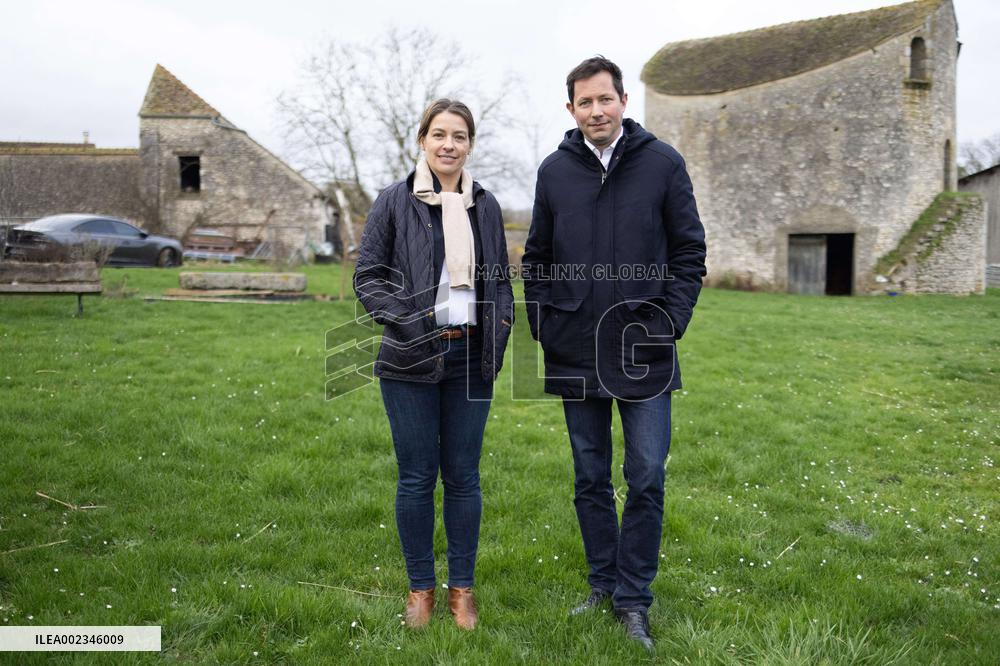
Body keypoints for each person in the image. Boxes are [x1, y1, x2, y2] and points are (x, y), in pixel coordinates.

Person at [522, 56, 706, 650]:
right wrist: (543, 323)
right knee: (590, 475)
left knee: (647, 474)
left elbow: (688, 252)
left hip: (642, 347)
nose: (596, 111)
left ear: (623, 100)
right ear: (570, 109)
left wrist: (669, 322)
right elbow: (537, 258)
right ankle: (602, 585)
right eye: (584, 102)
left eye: (605, 99)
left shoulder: (662, 164)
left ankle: (634, 601)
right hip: (573, 345)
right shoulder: (554, 171)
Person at [353, 99, 514, 630]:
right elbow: (368, 277)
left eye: (460, 136)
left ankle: (461, 591)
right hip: (409, 356)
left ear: (470, 145)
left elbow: (500, 284)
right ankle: (421, 588)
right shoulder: (394, 202)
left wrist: (499, 333)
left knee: (464, 477)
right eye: (439, 134)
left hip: (471, 356)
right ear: (422, 140)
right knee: (417, 477)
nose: (450, 145)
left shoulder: (485, 205)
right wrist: (408, 321)